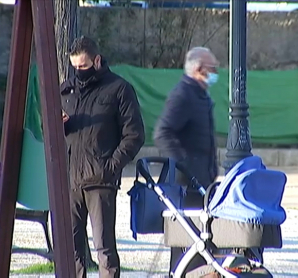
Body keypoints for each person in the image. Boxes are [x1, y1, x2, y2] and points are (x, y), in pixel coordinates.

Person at [60, 36, 145, 278]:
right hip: (70, 179)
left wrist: (111, 167)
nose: (78, 72)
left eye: (83, 66)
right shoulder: (66, 90)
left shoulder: (119, 89)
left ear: (97, 60)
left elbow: (135, 134)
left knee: (104, 249)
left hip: (100, 180)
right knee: (71, 249)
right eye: (74, 67)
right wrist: (58, 126)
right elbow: (52, 133)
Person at [153, 46, 219, 276]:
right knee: (186, 243)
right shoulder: (183, 94)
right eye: (213, 68)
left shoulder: (200, 95)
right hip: (187, 184)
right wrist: (184, 164)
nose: (215, 72)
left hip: (203, 183)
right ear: (200, 69)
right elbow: (162, 132)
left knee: (201, 242)